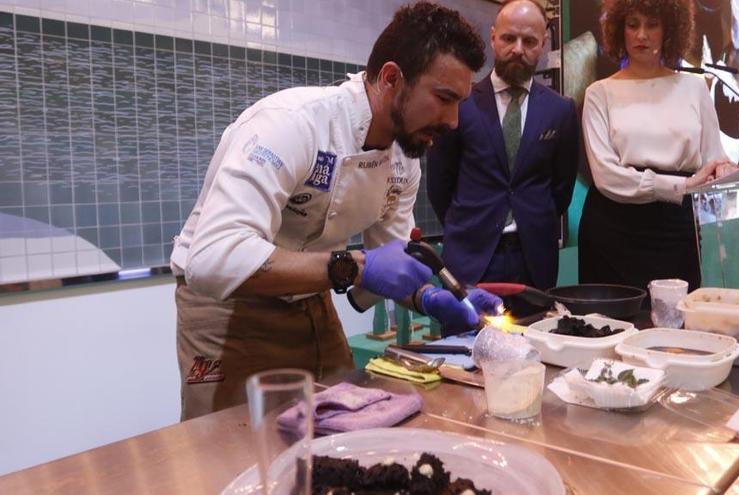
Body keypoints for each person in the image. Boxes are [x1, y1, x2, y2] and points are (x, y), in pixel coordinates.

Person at [170, 1, 499, 420]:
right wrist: (353, 266)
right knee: (232, 451)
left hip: (313, 304)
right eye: (443, 98)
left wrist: (432, 297)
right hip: (228, 310)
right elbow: (214, 257)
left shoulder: (404, 159)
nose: (454, 121)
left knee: (348, 427)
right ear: (392, 78)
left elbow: (392, 262)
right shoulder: (292, 125)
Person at [578, 0, 737, 295]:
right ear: (619, 29)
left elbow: (714, 157)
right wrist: (680, 185)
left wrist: (725, 168)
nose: (642, 35)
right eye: (633, 24)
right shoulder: (599, 93)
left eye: (652, 24)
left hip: (677, 228)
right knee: (613, 326)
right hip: (612, 226)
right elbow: (605, 176)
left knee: (677, 327)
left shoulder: (694, 88)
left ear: (669, 29)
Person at [427, 0, 579, 303]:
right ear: (493, 37)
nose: (518, 49)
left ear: (544, 44)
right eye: (509, 38)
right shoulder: (460, 103)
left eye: (530, 41)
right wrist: (469, 224)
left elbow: (561, 190)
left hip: (534, 259)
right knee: (465, 346)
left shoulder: (561, 111)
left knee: (533, 348)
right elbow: (439, 185)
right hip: (470, 258)